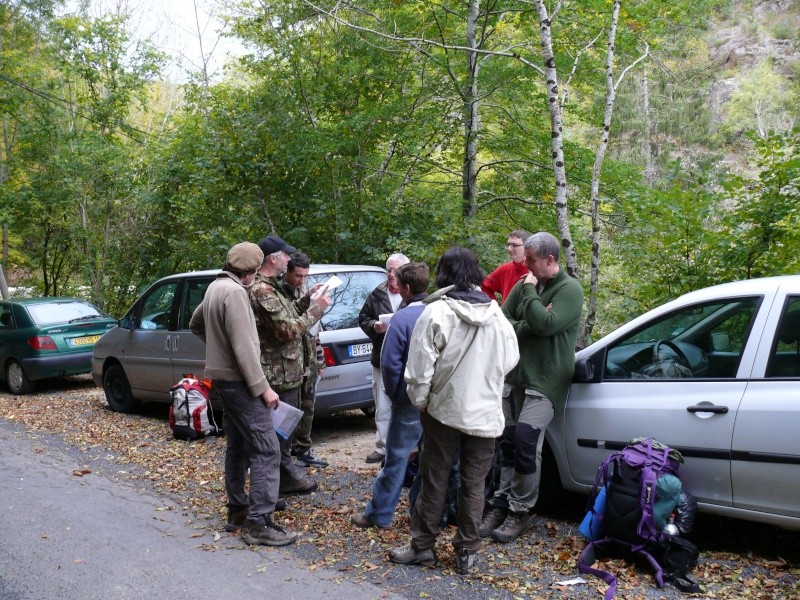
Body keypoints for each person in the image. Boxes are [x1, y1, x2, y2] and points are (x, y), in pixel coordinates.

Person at [388, 247, 519, 575]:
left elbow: (419, 369)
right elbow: (510, 360)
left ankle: (422, 546)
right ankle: (467, 553)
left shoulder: (435, 313)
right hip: (485, 413)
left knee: (435, 478)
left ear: (443, 274)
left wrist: (422, 401)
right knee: (474, 483)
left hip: (442, 411)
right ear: (476, 272)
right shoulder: (497, 315)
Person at [188, 242, 297, 546]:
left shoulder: (215, 287)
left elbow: (195, 323)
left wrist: (217, 349)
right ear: (251, 271)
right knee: (266, 449)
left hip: (225, 382)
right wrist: (263, 389)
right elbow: (245, 348)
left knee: (238, 446)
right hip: (240, 382)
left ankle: (238, 510)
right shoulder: (235, 293)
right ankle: (259, 522)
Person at [480, 231, 584, 543]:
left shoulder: (569, 290)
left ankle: (519, 511)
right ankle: (501, 503)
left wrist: (529, 301)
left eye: (531, 261)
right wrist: (530, 323)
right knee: (508, 441)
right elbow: (502, 322)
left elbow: (547, 325)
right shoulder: (528, 282)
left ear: (550, 260)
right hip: (517, 375)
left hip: (547, 378)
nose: (526, 266)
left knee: (526, 440)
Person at [249, 235, 331, 498]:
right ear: (274, 258)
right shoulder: (262, 289)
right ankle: (273, 489)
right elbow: (287, 330)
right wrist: (317, 310)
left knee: (284, 433)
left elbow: (291, 314)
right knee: (276, 435)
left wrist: (308, 300)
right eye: (285, 256)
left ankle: (283, 481)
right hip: (276, 376)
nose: (288, 260)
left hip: (288, 373)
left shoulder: (271, 286)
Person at [351, 262, 430, 529]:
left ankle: (378, 514)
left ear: (406, 289)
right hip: (436, 400)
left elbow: (390, 362)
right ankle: (421, 513)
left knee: (396, 458)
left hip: (409, 398)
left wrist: (396, 395)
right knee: (430, 459)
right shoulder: (439, 313)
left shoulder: (402, 318)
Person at [358, 252, 411, 464]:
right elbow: (363, 318)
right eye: (388, 269)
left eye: (395, 270)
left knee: (407, 404)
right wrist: (374, 327)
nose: (391, 274)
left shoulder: (414, 293)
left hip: (407, 360)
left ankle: (407, 448)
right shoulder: (377, 294)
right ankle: (382, 447)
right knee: (382, 405)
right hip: (381, 358)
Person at [282, 252, 329, 468]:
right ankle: (284, 452)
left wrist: (319, 361)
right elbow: (293, 327)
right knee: (288, 408)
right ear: (288, 271)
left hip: (308, 359)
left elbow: (314, 334)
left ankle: (303, 448)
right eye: (298, 276)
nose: (302, 280)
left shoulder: (304, 290)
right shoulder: (279, 293)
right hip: (289, 362)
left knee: (308, 405)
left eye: (305, 276)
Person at [480, 230, 531, 304]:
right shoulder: (504, 269)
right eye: (508, 245)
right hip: (505, 315)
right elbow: (484, 286)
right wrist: (495, 308)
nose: (509, 249)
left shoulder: (537, 270)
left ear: (527, 247)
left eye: (514, 245)